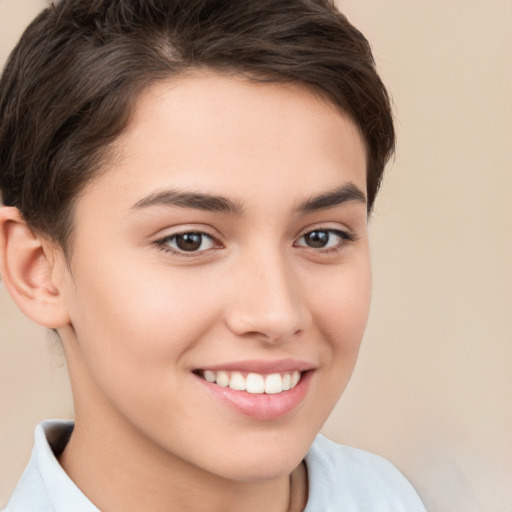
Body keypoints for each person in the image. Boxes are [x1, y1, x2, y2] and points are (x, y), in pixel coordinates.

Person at [0, 1, 426, 511]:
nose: (277, 314)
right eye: (189, 241)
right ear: (38, 270)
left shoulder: (390, 496)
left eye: (320, 237)